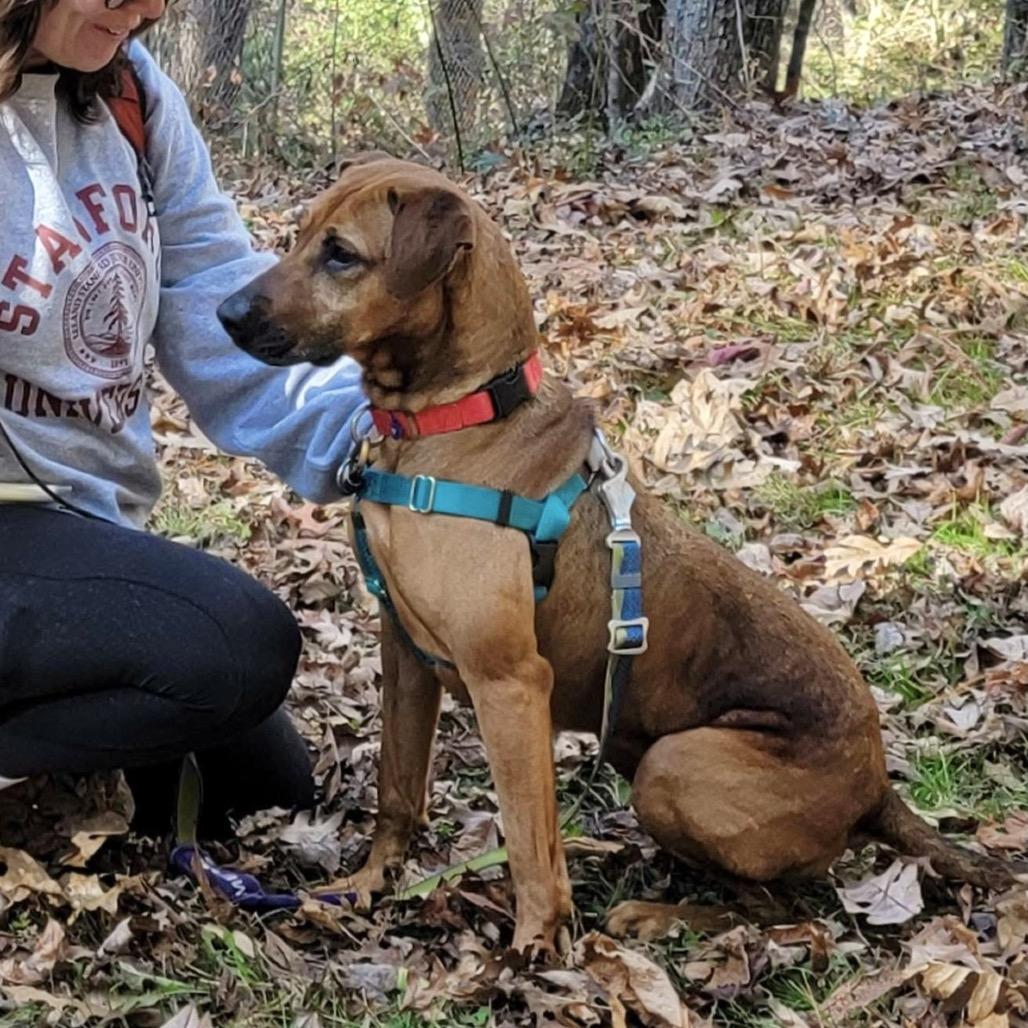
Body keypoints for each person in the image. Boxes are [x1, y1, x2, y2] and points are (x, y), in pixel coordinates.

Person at [0, 0, 365, 835]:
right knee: (234, 648)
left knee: (268, 789)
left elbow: (221, 309)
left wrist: (385, 432)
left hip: (76, 525)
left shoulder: (128, 91)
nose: (152, 8)